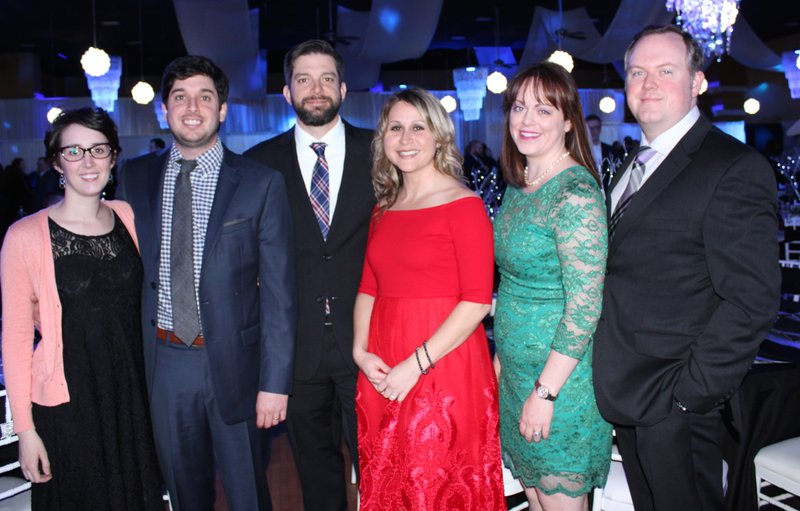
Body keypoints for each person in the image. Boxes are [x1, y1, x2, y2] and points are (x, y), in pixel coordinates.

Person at [593, 25, 780, 511]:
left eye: (665, 71)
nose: (648, 83)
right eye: (637, 72)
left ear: (697, 82)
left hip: (675, 399)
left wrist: (689, 394)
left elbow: (752, 299)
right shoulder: (631, 163)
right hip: (626, 391)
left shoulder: (731, 166)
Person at [116, 55, 295, 511]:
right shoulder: (134, 177)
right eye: (179, 97)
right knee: (182, 491)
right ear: (164, 109)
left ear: (222, 109)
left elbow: (279, 294)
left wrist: (275, 383)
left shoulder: (259, 182)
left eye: (204, 97)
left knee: (248, 493)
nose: (191, 107)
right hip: (166, 362)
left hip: (238, 364)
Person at [1, 107, 163, 510]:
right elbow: (18, 340)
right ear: (56, 161)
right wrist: (26, 431)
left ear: (113, 156)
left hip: (131, 398)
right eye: (74, 151)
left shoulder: (129, 216)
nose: (88, 162)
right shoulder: (23, 237)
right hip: (69, 406)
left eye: (98, 149)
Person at [353, 87, 505, 510]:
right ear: (383, 139)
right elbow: (368, 286)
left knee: (437, 486)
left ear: (438, 136)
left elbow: (477, 302)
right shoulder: (384, 208)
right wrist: (360, 354)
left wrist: (414, 365)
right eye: (395, 128)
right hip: (382, 363)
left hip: (442, 364)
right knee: (389, 483)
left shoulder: (464, 206)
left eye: (417, 127)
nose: (405, 139)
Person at [244, 39, 373, 511]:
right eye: (303, 79)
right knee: (315, 477)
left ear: (342, 88)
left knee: (379, 465)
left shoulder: (381, 152)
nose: (315, 90)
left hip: (369, 343)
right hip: (295, 350)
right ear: (286, 92)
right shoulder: (259, 165)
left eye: (325, 79)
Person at [492, 62, 611, 511]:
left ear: (567, 120)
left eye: (543, 110)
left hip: (557, 385)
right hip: (518, 376)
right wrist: (501, 366)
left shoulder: (574, 194)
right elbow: (513, 286)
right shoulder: (520, 185)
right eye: (519, 107)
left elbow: (584, 308)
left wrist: (544, 394)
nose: (526, 120)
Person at [585, 114, 614, 189]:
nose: (593, 131)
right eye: (590, 128)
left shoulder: (610, 150)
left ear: (600, 129)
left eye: (596, 127)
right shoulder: (582, 151)